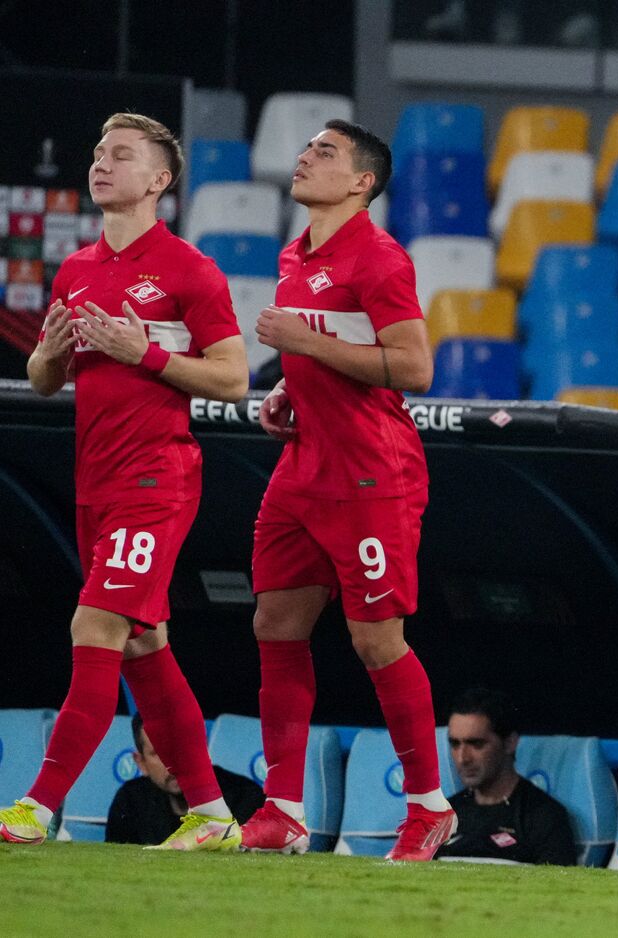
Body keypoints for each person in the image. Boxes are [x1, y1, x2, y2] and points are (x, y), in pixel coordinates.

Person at [0, 113, 249, 851]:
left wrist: (146, 354)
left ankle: (37, 807)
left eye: (121, 155)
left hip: (155, 478)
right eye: (99, 151)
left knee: (96, 627)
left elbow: (234, 378)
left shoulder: (189, 271)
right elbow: (44, 379)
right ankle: (209, 813)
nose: (102, 164)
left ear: (159, 181)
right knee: (143, 645)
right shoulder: (77, 270)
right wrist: (46, 354)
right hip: (95, 485)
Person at [237, 120, 450, 861]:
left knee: (374, 640)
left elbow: (414, 368)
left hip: (371, 472)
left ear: (362, 182)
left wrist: (304, 346)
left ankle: (427, 807)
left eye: (325, 152)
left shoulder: (380, 258)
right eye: (306, 148)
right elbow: (331, 357)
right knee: (275, 623)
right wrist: (293, 393)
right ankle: (283, 810)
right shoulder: (296, 253)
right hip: (303, 465)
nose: (304, 157)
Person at [436, 689, 576, 865]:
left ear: (510, 742)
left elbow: (558, 889)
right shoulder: (441, 815)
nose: (463, 758)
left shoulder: (543, 817)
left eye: (476, 744)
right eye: (455, 744)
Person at [106, 712, 265, 846]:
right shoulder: (130, 801)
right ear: (141, 763)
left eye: (180, 748)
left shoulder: (246, 798)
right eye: (160, 753)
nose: (172, 763)